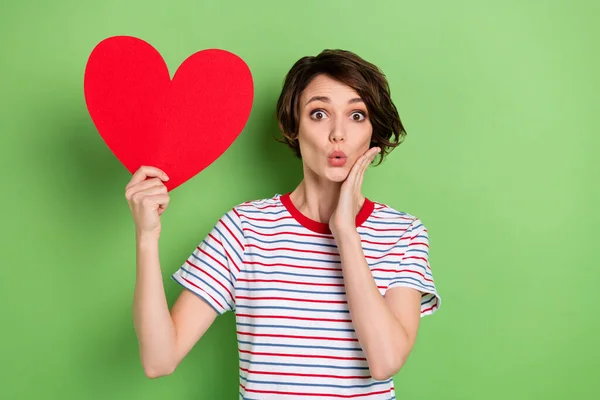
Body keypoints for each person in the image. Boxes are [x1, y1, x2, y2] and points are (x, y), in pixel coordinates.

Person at [126, 49, 441, 399]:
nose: (338, 133)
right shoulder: (246, 228)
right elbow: (159, 360)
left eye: (356, 115)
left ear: (373, 130)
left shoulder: (403, 234)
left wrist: (346, 233)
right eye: (319, 114)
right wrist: (147, 236)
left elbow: (385, 361)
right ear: (293, 128)